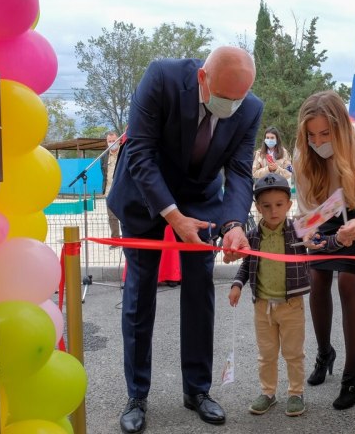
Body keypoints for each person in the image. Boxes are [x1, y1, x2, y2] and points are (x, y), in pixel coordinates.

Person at [106, 46, 263, 433]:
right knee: (140, 291)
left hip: (200, 197)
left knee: (199, 290)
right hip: (145, 195)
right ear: (202, 79)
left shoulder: (249, 107)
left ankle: (197, 389)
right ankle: (137, 394)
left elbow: (240, 172)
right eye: (225, 98)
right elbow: (140, 153)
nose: (232, 106)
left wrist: (234, 225)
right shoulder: (161, 77)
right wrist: (172, 216)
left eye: (238, 98)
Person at [292, 90, 355, 410]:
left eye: (326, 133)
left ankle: (352, 373)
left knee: (348, 283)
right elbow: (305, 208)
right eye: (312, 135)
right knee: (318, 279)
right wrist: (306, 235)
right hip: (324, 211)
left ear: (341, 129)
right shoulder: (301, 153)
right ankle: (324, 353)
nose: (318, 141)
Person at [228, 173, 311, 417]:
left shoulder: (299, 231)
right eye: (266, 206)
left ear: (289, 204)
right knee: (266, 354)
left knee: (294, 352)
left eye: (279, 205)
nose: (273, 211)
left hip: (292, 304)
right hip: (262, 306)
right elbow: (246, 265)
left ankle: (296, 393)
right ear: (257, 207)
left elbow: (320, 242)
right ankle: (268, 392)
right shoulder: (253, 236)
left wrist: (325, 240)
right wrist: (237, 285)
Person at [103, 131, 122, 247]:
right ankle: (115, 241)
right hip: (109, 192)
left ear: (119, 140)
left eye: (113, 141)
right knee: (112, 217)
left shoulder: (124, 153)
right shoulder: (104, 156)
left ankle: (129, 240)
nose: (111, 143)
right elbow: (104, 173)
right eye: (109, 141)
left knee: (126, 217)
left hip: (122, 191)